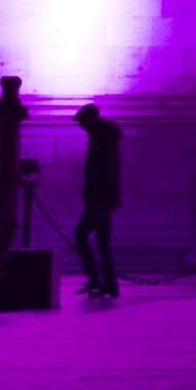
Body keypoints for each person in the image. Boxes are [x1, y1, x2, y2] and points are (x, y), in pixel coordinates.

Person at [72, 103, 123, 298]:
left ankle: (96, 278)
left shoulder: (100, 140)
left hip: (99, 199)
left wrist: (94, 197)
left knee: (81, 234)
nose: (80, 126)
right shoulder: (104, 138)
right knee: (102, 242)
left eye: (82, 122)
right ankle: (107, 284)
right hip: (104, 198)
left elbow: (101, 172)